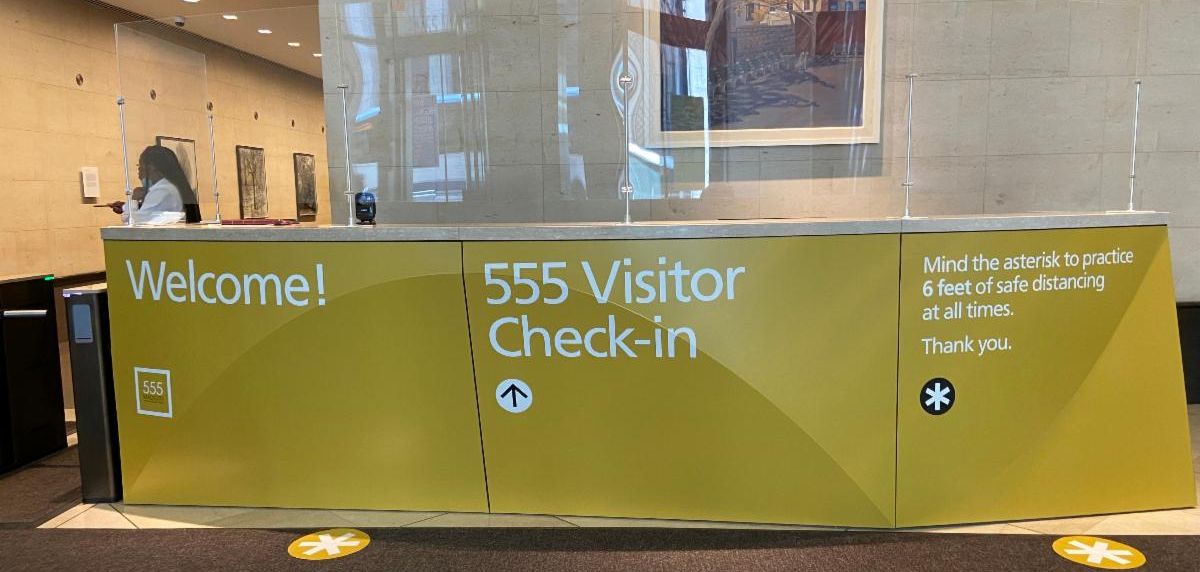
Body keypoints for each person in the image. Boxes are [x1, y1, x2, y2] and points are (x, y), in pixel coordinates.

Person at [108, 145, 202, 223]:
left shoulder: (162, 190)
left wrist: (134, 199)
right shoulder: (170, 187)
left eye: (140, 167)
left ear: (151, 168)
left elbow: (132, 220)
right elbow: (155, 213)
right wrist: (127, 206)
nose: (139, 174)